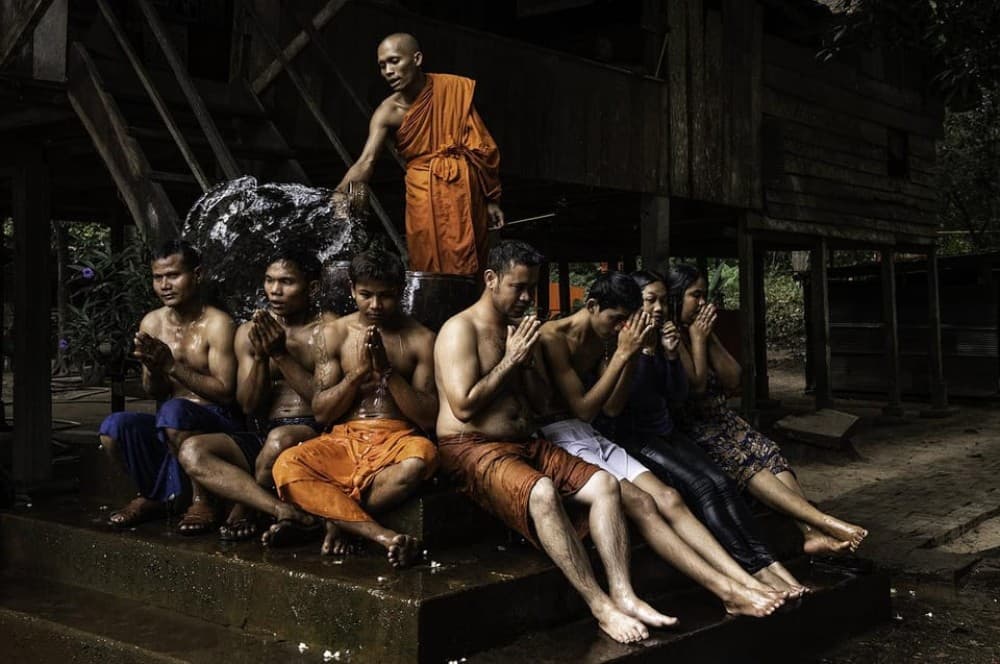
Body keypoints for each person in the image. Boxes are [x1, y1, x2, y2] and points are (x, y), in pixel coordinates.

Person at [435, 240, 674, 645]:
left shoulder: (518, 330)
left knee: (606, 485)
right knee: (542, 492)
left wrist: (525, 366)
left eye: (531, 288)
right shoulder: (461, 329)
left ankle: (624, 592)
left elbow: (542, 402)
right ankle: (600, 606)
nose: (526, 297)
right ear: (491, 280)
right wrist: (511, 360)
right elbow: (462, 406)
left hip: (524, 441)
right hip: (469, 445)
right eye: (518, 287)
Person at [538, 272, 799, 605]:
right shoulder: (567, 338)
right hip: (594, 434)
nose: (654, 310)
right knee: (689, 490)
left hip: (627, 432)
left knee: (702, 487)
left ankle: (757, 574)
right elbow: (599, 410)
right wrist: (628, 354)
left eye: (660, 301)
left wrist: (653, 354)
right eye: (647, 302)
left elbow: (657, 396)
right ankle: (739, 585)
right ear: (592, 306)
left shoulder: (619, 336)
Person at [668, 264, 868, 553]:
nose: (702, 303)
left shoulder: (700, 331)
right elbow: (696, 387)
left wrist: (708, 338)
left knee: (768, 451)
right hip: (693, 427)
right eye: (694, 295)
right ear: (675, 297)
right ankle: (823, 521)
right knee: (743, 462)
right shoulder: (672, 335)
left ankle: (809, 532)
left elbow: (733, 378)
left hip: (722, 418)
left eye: (704, 295)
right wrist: (698, 339)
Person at [265, 250, 439, 567]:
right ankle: (379, 534)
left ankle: (333, 519)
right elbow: (322, 412)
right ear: (351, 289)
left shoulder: (422, 339)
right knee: (286, 465)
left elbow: (427, 416)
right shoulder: (335, 334)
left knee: (422, 459)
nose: (375, 305)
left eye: (386, 296)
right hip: (343, 439)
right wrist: (357, 374)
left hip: (396, 439)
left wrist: (388, 373)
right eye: (366, 295)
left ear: (401, 291)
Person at [98, 240, 255, 535]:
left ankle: (202, 500)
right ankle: (155, 496)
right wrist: (154, 368)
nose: (165, 285)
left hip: (217, 421)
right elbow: (154, 392)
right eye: (158, 277)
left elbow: (226, 392)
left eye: (173, 275)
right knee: (112, 428)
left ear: (197, 275)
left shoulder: (218, 324)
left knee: (174, 411)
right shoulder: (152, 322)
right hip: (170, 420)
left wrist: (172, 367)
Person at [176, 248, 333, 541]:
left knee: (280, 439)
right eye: (269, 280)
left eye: (286, 282)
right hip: (262, 436)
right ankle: (277, 508)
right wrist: (261, 357)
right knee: (192, 450)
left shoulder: (330, 330)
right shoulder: (250, 331)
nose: (275, 290)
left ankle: (245, 505)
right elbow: (248, 405)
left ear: (311, 287)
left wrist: (281, 355)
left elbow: (326, 406)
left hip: (312, 434)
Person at [336, 32, 503, 276]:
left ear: (417, 58)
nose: (388, 71)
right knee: (426, 261)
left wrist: (491, 199)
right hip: (422, 192)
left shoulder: (452, 89)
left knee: (472, 264)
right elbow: (366, 161)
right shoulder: (388, 111)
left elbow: (480, 146)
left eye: (394, 61)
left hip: (464, 192)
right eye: (382, 66)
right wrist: (339, 192)